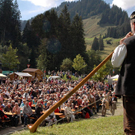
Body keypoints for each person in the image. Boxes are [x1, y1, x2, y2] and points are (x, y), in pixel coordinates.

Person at [111, 11, 135, 135]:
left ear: (133, 25)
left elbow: (115, 62)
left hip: (131, 91)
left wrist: (121, 45)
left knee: (131, 124)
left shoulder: (128, 43)